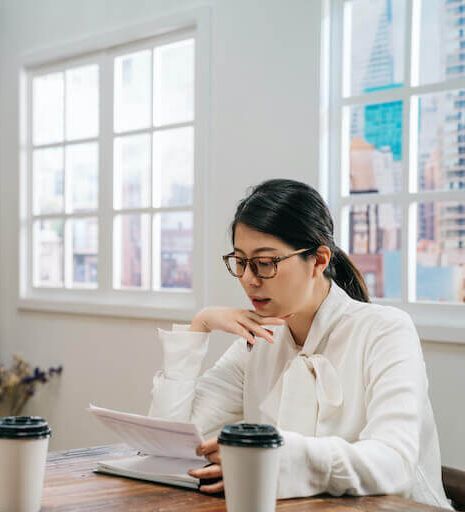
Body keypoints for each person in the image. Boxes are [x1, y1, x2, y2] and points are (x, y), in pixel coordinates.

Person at [148, 179, 452, 508]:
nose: (249, 279)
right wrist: (200, 326)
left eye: (266, 263)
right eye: (240, 262)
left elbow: (394, 464)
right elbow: (170, 444)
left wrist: (275, 457)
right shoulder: (258, 342)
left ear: (319, 260)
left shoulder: (385, 331)